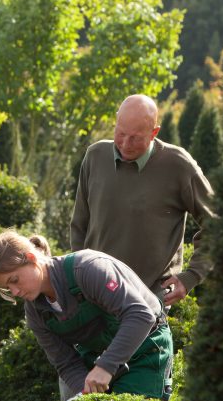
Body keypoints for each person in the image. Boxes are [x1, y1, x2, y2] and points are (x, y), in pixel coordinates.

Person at [0, 231, 173, 401]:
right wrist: (85, 397)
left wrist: (106, 366)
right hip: (97, 361)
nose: (15, 292)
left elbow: (140, 315)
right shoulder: (35, 312)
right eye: (8, 289)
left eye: (14, 280)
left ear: (32, 258)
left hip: (145, 350)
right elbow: (65, 362)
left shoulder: (87, 269)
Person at [70, 94, 215, 308]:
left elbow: (218, 225)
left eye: (135, 138)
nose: (125, 144)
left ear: (154, 132)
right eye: (120, 133)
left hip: (149, 301)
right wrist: (77, 278)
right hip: (95, 296)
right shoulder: (95, 156)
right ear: (116, 122)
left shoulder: (178, 166)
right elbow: (79, 225)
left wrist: (191, 277)